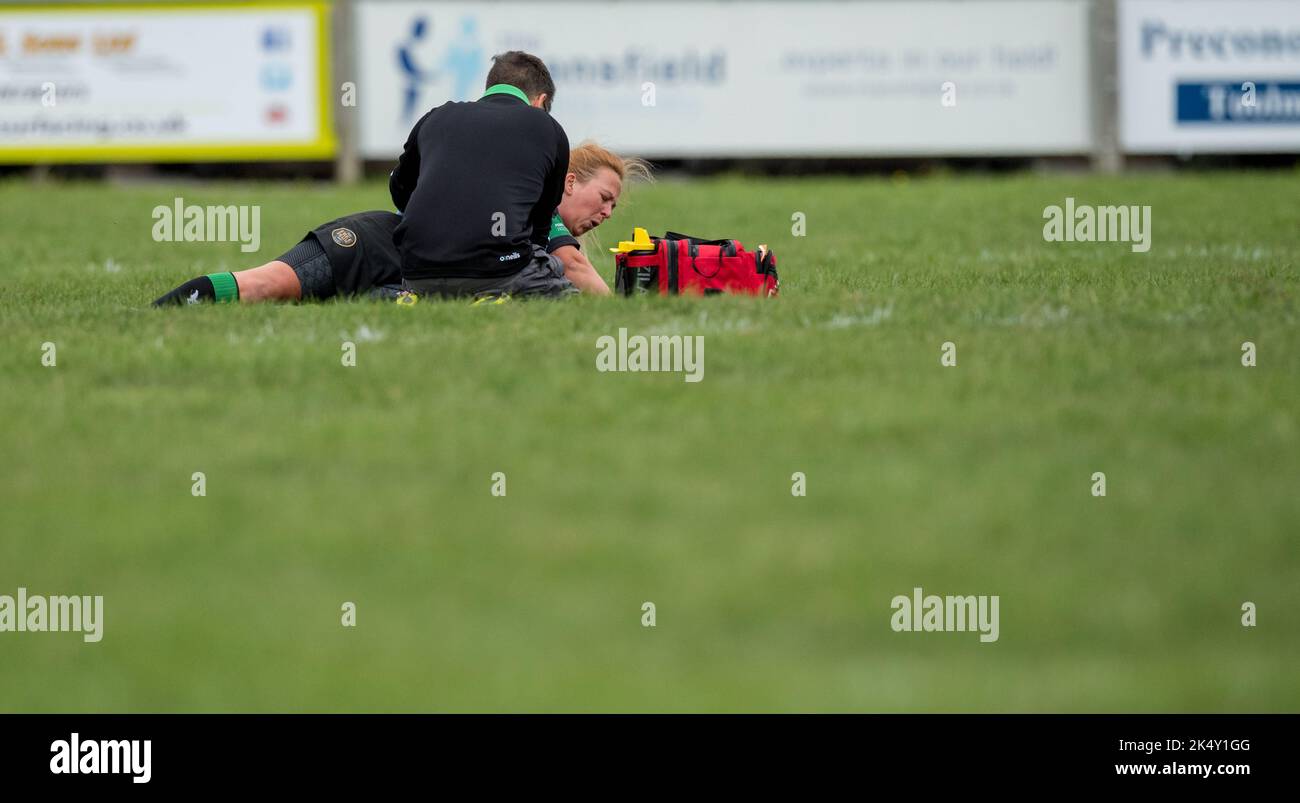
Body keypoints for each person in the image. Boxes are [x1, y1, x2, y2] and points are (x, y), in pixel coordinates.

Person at [150, 141, 649, 305]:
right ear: (566, 182)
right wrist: (620, 317)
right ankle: (159, 315)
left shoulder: (520, 217)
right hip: (377, 243)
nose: (605, 213)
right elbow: (576, 272)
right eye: (604, 197)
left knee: (281, 295)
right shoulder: (533, 209)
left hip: (395, 264)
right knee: (265, 283)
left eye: (613, 207)